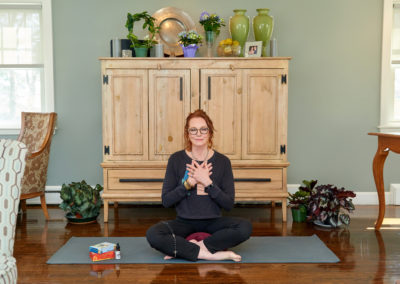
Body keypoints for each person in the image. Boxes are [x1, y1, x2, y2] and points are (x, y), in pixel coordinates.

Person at [146, 109, 252, 262]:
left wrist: (207, 182)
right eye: (193, 130)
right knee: (153, 234)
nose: (198, 133)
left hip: (214, 222)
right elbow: (166, 201)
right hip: (184, 222)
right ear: (187, 133)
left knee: (245, 227)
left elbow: (229, 204)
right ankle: (210, 254)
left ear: (210, 132)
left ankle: (192, 248)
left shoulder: (223, 162)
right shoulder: (176, 159)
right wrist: (189, 183)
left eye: (203, 129)